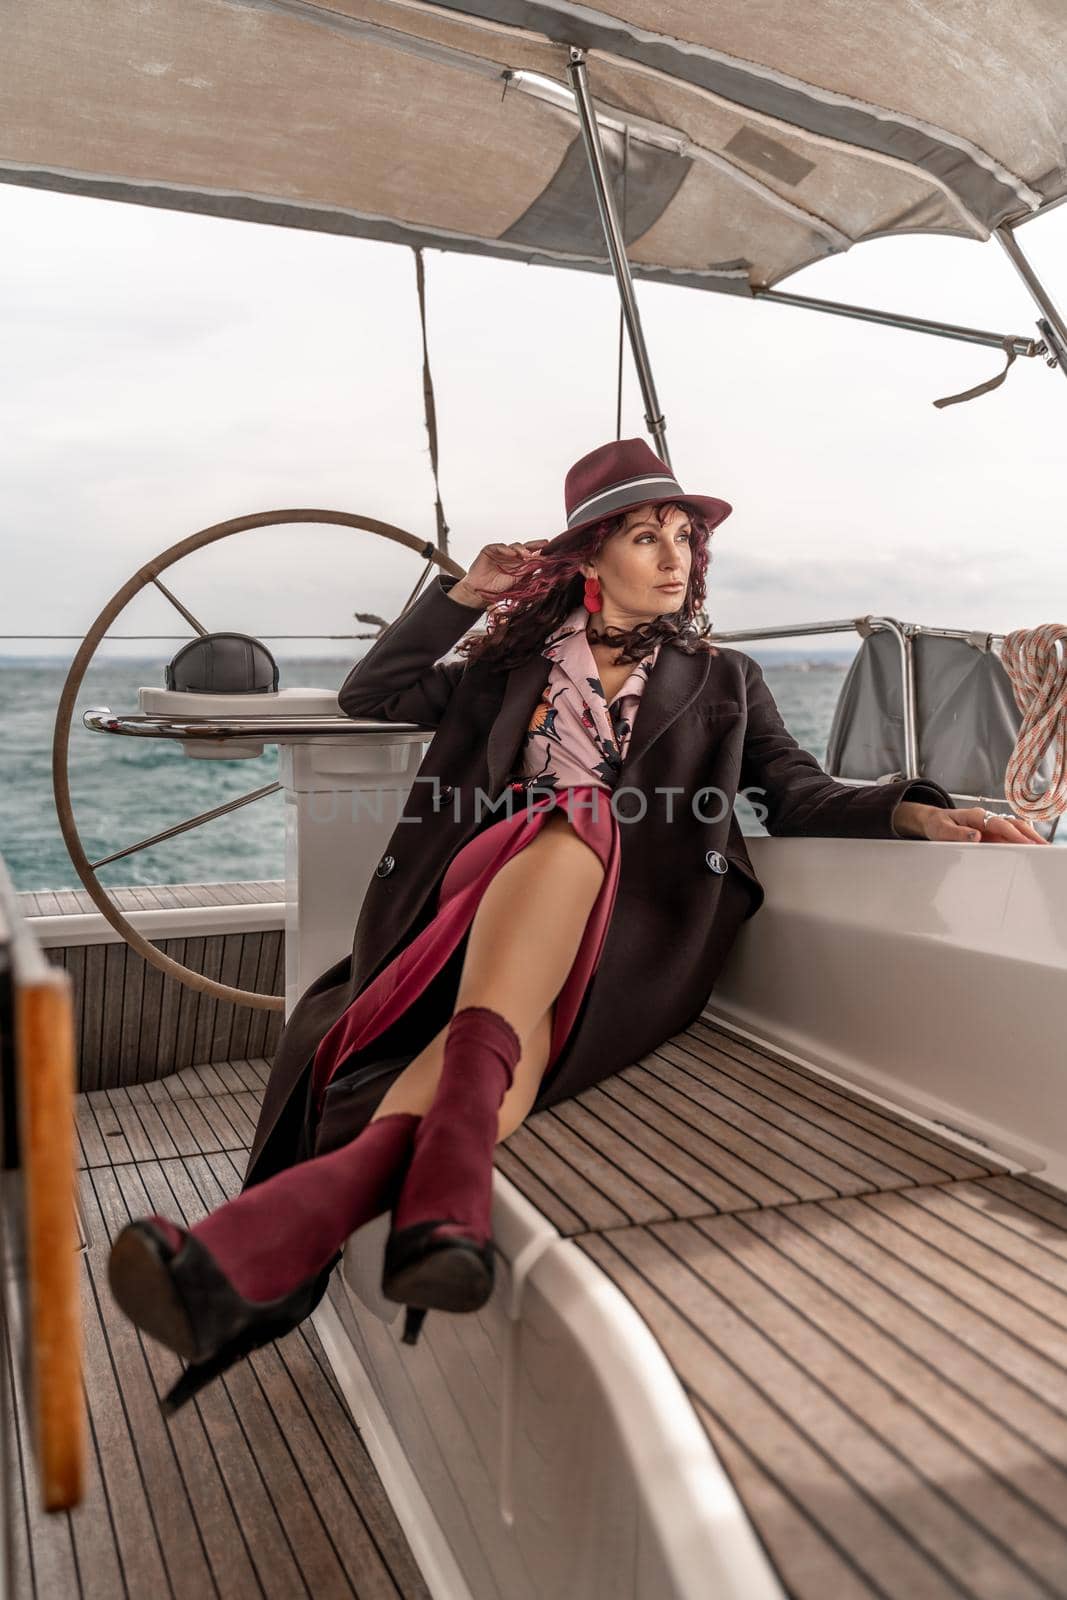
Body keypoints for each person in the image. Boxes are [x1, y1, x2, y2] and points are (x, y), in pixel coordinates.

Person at [107, 438, 1047, 1413]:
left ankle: (271, 1254)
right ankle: (428, 1204)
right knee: (565, 819)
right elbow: (371, 694)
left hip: (631, 938)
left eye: (683, 537)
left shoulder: (722, 679)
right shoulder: (499, 667)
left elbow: (796, 792)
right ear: (589, 557)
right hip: (471, 910)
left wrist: (911, 810)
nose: (675, 555)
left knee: (575, 833)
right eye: (646, 535)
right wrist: (464, 594)